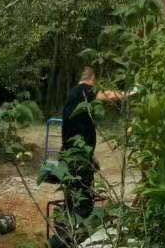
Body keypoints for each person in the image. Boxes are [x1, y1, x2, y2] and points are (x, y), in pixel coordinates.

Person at [60, 67, 124, 224]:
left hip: (70, 152)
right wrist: (130, 92)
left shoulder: (73, 93)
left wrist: (92, 156)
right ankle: (80, 230)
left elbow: (75, 126)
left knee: (72, 191)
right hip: (79, 155)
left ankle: (69, 227)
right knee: (83, 196)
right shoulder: (84, 91)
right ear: (92, 78)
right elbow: (109, 95)